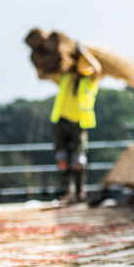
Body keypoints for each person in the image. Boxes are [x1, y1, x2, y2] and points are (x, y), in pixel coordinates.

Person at [51, 46, 101, 204]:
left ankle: (80, 192)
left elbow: (97, 70)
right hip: (62, 120)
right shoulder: (66, 77)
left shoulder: (89, 81)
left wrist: (85, 53)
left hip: (79, 123)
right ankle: (66, 192)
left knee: (79, 160)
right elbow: (47, 73)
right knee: (62, 158)